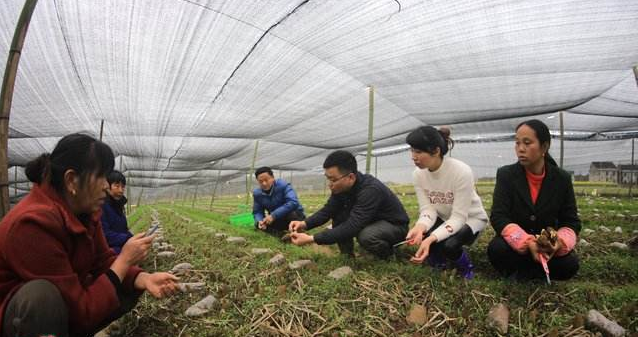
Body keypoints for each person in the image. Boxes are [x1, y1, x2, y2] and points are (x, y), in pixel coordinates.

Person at [0, 134, 179, 337]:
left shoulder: (85, 213)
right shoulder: (31, 224)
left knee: (126, 285)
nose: (106, 185)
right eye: (101, 176)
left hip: (71, 304)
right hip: (18, 322)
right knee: (42, 297)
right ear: (71, 180)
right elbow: (78, 309)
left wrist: (143, 277)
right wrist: (125, 260)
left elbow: (103, 260)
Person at [487, 119, 581, 281]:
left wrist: (557, 244)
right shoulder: (506, 175)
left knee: (570, 264)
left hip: (547, 247)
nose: (520, 149)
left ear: (544, 147)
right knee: (497, 249)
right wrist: (527, 242)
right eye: (517, 143)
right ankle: (536, 272)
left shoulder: (561, 179)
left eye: (527, 143)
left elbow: (571, 221)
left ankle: (526, 272)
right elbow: (499, 216)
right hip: (518, 246)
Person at [289, 150, 409, 259]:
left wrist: (312, 239)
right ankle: (347, 256)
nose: (330, 184)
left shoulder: (370, 190)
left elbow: (353, 226)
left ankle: (388, 255)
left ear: (350, 177)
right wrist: (304, 224)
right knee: (339, 217)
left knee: (366, 236)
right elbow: (328, 210)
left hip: (394, 226)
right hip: (371, 221)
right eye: (328, 179)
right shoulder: (341, 189)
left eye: (333, 179)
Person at [404, 126, 488, 279]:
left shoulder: (460, 171)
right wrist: (420, 226)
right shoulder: (418, 175)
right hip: (446, 217)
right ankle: (439, 264)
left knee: (450, 245)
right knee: (429, 237)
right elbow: (428, 210)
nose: (413, 156)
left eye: (418, 152)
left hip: (470, 218)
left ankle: (466, 269)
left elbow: (459, 218)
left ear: (436, 151)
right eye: (412, 150)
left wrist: (431, 238)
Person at [252, 166, 305, 235]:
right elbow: (257, 211)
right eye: (260, 181)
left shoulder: (283, 185)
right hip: (277, 219)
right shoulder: (257, 194)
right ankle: (281, 235)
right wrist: (260, 220)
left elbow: (293, 202)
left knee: (291, 213)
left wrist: (273, 215)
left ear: (273, 178)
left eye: (266, 180)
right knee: (258, 224)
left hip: (294, 216)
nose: (264, 183)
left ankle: (296, 231)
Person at [101, 170, 132, 254]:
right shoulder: (102, 206)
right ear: (107, 187)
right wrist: (127, 239)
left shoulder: (118, 206)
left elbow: (123, 230)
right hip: (109, 252)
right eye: (117, 186)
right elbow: (105, 235)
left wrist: (133, 237)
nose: (121, 190)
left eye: (123, 187)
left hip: (120, 246)